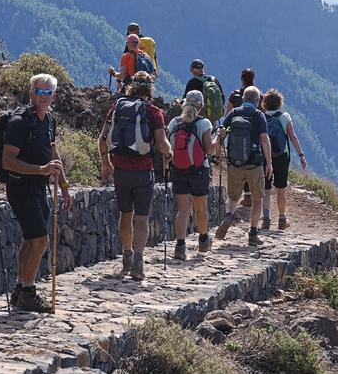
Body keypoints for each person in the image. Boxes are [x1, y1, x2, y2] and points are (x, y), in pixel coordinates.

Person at [3, 74, 72, 312]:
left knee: (32, 239)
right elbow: (7, 161)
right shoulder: (19, 122)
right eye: (39, 92)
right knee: (41, 240)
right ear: (31, 93)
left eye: (48, 92)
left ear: (54, 95)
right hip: (21, 186)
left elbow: (54, 155)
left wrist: (64, 187)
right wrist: (41, 170)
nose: (43, 96)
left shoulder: (48, 120)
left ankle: (21, 289)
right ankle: (29, 293)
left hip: (37, 187)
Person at [100, 71, 172, 280]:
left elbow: (102, 139)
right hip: (142, 172)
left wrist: (106, 163)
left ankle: (126, 256)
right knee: (142, 218)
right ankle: (138, 262)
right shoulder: (153, 111)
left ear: (131, 86)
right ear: (150, 89)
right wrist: (169, 153)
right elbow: (161, 143)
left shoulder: (117, 107)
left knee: (125, 214)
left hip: (120, 170)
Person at [215, 86, 272, 247]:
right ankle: (253, 234)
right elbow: (265, 139)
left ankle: (228, 215)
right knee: (257, 199)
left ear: (243, 99)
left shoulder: (233, 113)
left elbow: (221, 133)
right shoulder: (258, 115)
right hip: (254, 164)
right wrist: (269, 163)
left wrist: (217, 156)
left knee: (233, 197)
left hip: (235, 163)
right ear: (257, 100)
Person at [167, 91, 218, 259]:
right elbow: (209, 149)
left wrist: (167, 167)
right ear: (201, 106)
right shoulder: (203, 123)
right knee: (200, 208)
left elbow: (168, 148)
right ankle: (203, 241)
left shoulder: (174, 122)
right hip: (199, 170)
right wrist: (219, 137)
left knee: (182, 210)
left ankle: (180, 247)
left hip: (178, 169)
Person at [261, 89, 308, 230]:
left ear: (265, 103)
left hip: (265, 155)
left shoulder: (261, 117)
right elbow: (293, 137)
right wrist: (301, 155)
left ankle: (266, 219)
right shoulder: (285, 116)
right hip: (282, 156)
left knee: (266, 190)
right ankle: (282, 219)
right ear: (280, 103)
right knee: (281, 190)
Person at [226, 68, 258, 205]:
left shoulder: (234, 95)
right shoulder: (258, 95)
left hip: (236, 134)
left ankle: (235, 196)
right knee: (250, 160)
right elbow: (260, 113)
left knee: (237, 159)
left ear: (241, 79)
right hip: (252, 134)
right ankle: (249, 194)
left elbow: (228, 113)